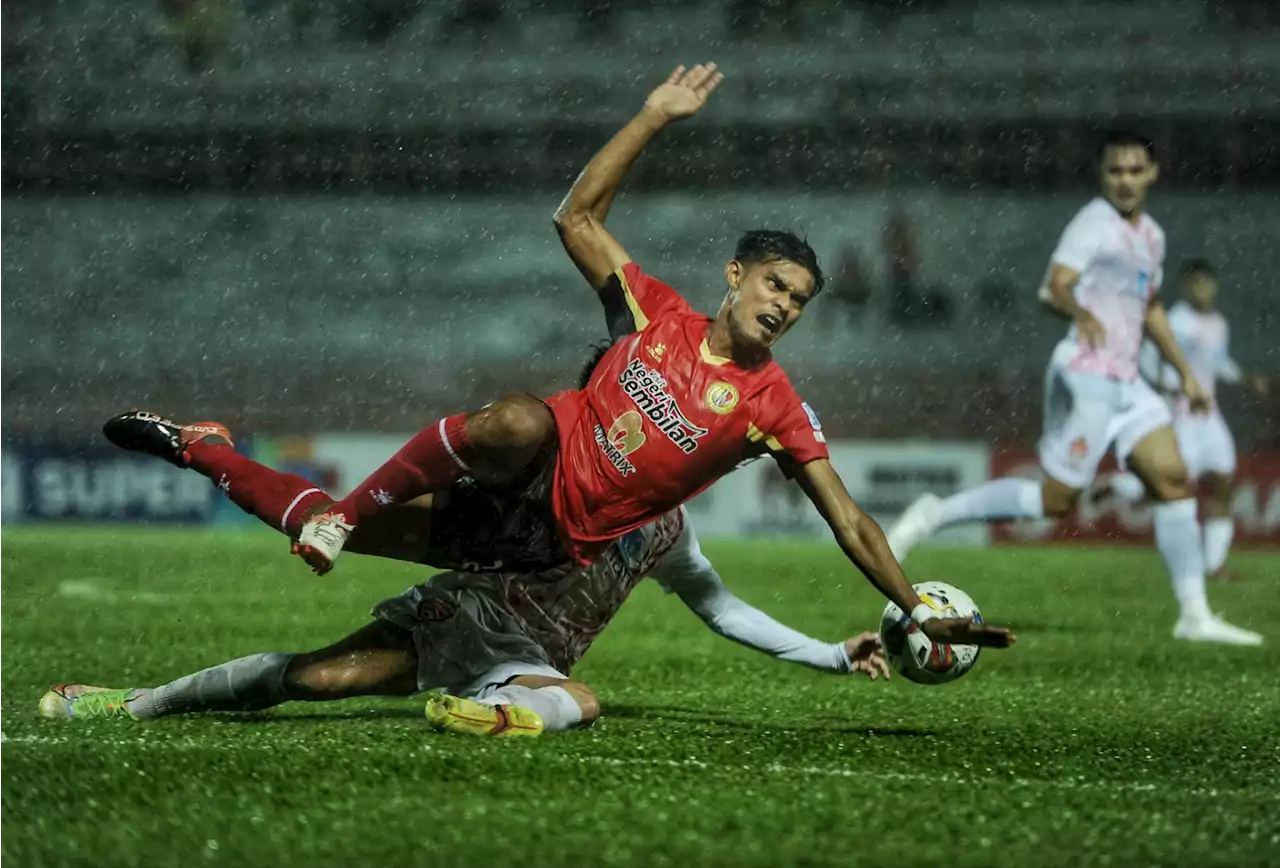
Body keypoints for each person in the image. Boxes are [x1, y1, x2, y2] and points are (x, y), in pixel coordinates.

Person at [233, 62, 1012, 654]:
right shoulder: (653, 311)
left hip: (543, 543)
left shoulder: (773, 407)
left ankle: (201, 450)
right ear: (735, 277)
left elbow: (849, 519)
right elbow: (574, 217)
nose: (784, 306)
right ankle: (346, 513)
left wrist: (913, 606)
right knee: (508, 421)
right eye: (776, 284)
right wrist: (652, 117)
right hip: (527, 465)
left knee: (341, 663)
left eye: (800, 300)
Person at [40, 460, 890, 736]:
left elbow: (722, 608)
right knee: (313, 680)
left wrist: (831, 654)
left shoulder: (671, 535)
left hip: (524, 660)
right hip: (471, 612)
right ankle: (131, 703)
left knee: (578, 700)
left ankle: (487, 711)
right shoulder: (581, 475)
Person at [887, 131, 1261, 646]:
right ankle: (935, 513)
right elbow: (1053, 285)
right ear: (1102, 175)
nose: (1125, 180)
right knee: (1057, 499)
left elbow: (1149, 306)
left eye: (1134, 171)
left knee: (1172, 479)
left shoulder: (1151, 235)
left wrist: (1187, 374)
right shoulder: (1094, 223)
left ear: (1152, 174)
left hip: (1128, 380)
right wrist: (1080, 310)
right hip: (1085, 374)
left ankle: (1193, 615)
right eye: (1115, 171)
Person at [1095, 258, 1269, 581]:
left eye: (1208, 283)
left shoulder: (1218, 323)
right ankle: (1120, 486)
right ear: (1188, 286)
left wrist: (1245, 379)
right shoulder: (1175, 320)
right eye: (1197, 283)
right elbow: (1146, 356)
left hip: (1209, 414)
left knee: (1222, 483)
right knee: (1168, 486)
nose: (1203, 289)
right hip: (1181, 417)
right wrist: (1166, 387)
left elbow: (1217, 362)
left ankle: (1214, 565)